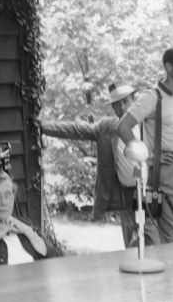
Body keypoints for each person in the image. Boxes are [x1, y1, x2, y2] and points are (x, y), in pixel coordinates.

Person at [117, 45, 173, 244]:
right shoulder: (153, 96)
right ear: (169, 67)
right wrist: (147, 156)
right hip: (169, 167)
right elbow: (123, 126)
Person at [40, 82, 139, 247]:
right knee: (131, 242)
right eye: (117, 104)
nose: (122, 107)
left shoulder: (147, 124)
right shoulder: (108, 127)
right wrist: (44, 127)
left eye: (126, 101)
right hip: (126, 194)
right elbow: (75, 129)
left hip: (149, 190)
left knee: (151, 235)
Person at [0, 169, 47, 265]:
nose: (4, 202)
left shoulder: (23, 223)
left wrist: (27, 230)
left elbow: (45, 253)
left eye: (8, 195)